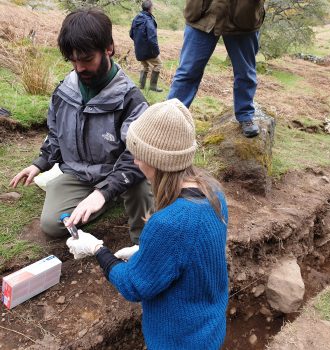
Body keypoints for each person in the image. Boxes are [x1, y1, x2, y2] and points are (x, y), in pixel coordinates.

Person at [66, 99, 229, 349]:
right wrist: (147, 252)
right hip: (209, 329)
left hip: (177, 341)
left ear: (155, 160)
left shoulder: (168, 223)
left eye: (138, 155)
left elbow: (133, 285)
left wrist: (96, 249)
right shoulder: (214, 193)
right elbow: (191, 255)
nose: (135, 162)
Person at [10, 9, 153, 244]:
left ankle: (142, 242)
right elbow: (56, 134)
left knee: (140, 182)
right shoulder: (64, 92)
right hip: (79, 174)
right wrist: (40, 163)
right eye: (73, 60)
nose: (79, 68)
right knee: (52, 224)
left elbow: (137, 155)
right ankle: (104, 199)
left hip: (119, 173)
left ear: (109, 48)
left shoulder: (130, 100)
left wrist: (104, 190)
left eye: (87, 59)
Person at [168, 0, 266, 138]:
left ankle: (245, 115)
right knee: (187, 72)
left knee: (246, 73)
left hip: (244, 16)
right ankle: (169, 115)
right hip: (203, 13)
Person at [130, 0, 163, 92]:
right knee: (158, 64)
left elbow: (131, 34)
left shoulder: (136, 18)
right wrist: (156, 51)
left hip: (139, 50)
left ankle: (141, 85)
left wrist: (139, 43)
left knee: (145, 66)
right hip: (149, 50)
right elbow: (152, 38)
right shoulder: (148, 20)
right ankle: (153, 86)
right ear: (150, 8)